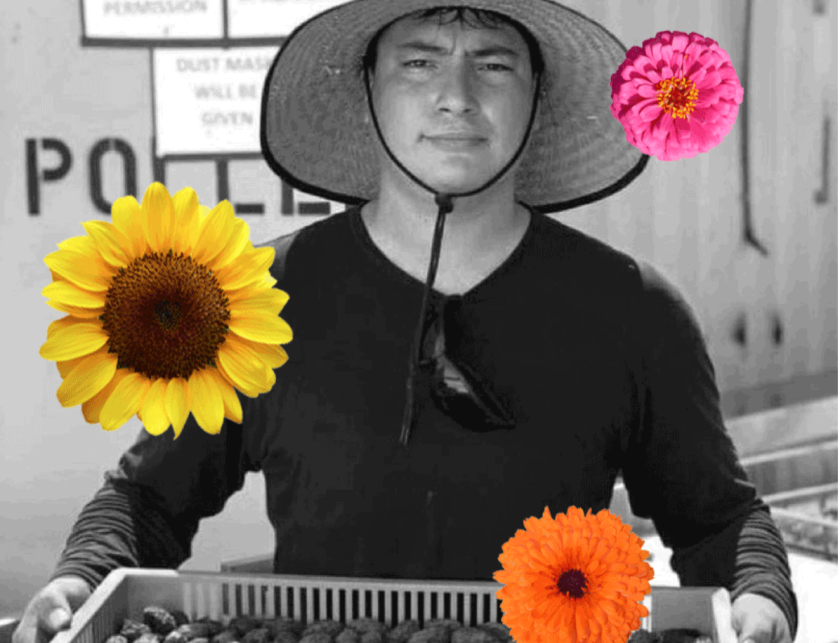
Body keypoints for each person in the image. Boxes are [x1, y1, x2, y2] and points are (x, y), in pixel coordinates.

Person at [15, 2, 797, 643]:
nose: (455, 95)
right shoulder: (257, 297)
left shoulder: (634, 310)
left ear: (538, 94)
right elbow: (147, 499)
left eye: (493, 63)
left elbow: (721, 520)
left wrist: (759, 597)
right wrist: (78, 578)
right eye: (418, 61)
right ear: (368, 90)